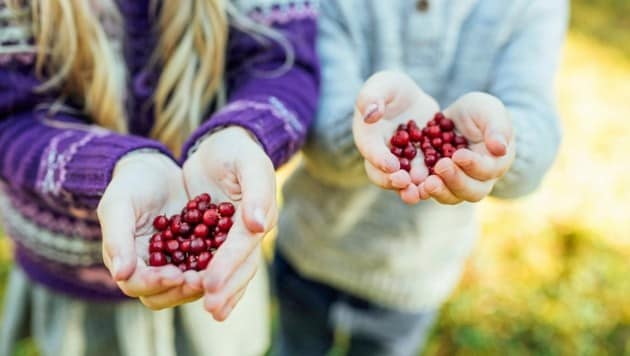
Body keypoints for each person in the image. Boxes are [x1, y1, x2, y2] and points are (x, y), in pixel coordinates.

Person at [0, 0, 318, 355]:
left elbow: (282, 62)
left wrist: (245, 132)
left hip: (220, 268)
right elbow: (11, 116)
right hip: (68, 275)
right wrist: (112, 163)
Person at [273, 0, 567, 355]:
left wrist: (502, 145)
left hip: (413, 276)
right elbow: (316, 132)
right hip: (309, 249)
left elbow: (535, 122)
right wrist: (361, 130)